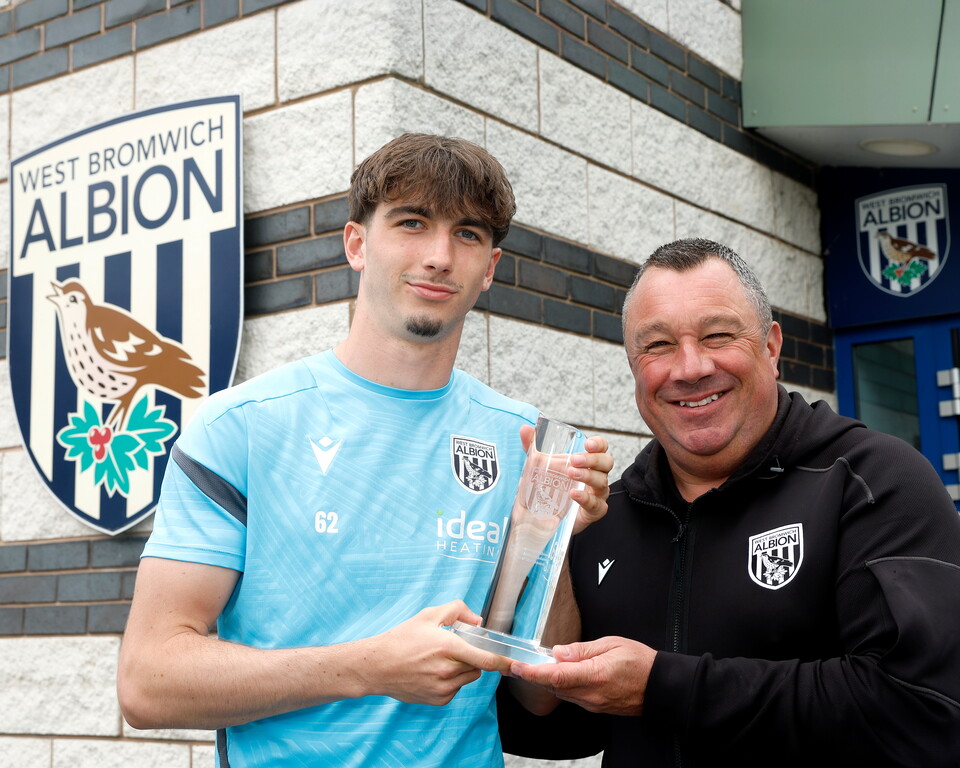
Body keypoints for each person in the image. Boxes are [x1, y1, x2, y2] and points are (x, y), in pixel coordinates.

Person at [116, 133, 613, 768]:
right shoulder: (237, 428)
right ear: (357, 243)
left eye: (467, 234)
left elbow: (538, 698)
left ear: (489, 268)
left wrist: (556, 534)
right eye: (412, 223)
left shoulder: (521, 442)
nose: (438, 256)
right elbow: (147, 683)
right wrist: (367, 668)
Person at [498, 238, 960, 767]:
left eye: (718, 335)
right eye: (658, 346)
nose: (690, 367)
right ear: (632, 367)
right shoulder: (613, 515)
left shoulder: (875, 482)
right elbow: (561, 730)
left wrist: (663, 687)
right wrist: (549, 546)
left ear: (771, 346)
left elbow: (925, 710)